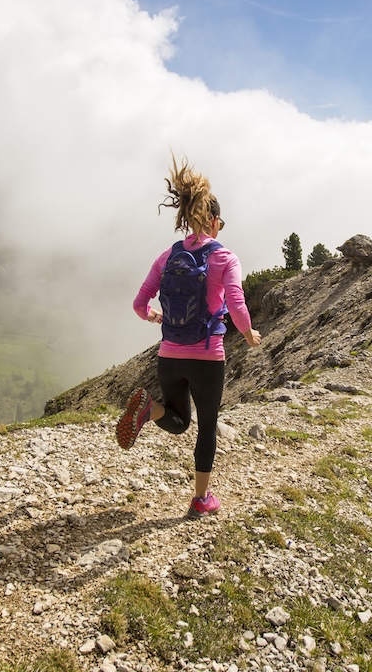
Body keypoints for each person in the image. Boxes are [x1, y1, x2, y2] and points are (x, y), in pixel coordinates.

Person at [118, 155, 262, 519]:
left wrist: (154, 316)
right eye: (221, 222)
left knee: (178, 420)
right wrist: (248, 334)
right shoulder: (225, 257)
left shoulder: (167, 256)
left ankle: (150, 411)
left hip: (169, 355)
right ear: (214, 221)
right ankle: (201, 499)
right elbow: (237, 305)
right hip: (207, 355)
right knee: (205, 426)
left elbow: (139, 303)